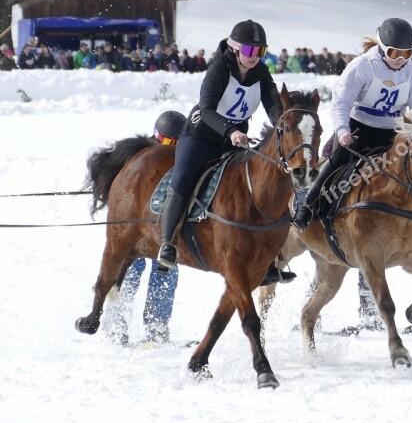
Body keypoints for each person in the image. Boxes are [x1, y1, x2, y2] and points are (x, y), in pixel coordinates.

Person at [156, 20, 280, 273]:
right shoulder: (219, 68)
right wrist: (231, 130)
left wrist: (287, 128)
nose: (255, 57)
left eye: (261, 52)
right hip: (200, 137)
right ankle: (168, 243)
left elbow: (275, 109)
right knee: (182, 178)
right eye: (249, 51)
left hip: (234, 142)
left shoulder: (263, 74)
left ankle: (263, 258)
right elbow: (207, 109)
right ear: (235, 49)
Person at [292, 17, 412, 231]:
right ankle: (307, 207)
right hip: (358, 128)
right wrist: (343, 131)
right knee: (337, 161)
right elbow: (341, 102)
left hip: (394, 132)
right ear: (383, 49)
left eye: (407, 53)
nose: (401, 59)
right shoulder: (362, 66)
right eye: (394, 53)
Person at [104, 111, 186, 345]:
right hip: (135, 230)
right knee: (129, 270)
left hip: (163, 229)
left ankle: (156, 327)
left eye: (178, 143)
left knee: (166, 271)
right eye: (169, 142)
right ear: (158, 137)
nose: (172, 147)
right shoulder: (141, 154)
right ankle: (115, 326)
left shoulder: (182, 157)